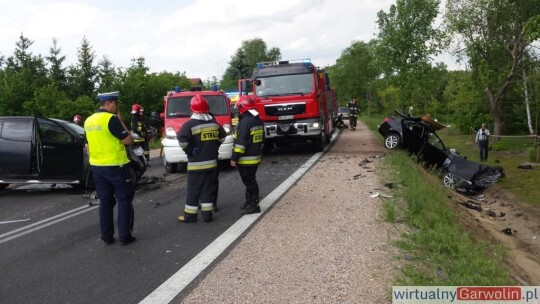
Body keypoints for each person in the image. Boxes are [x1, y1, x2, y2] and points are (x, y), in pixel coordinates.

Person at [84, 91, 136, 246]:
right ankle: (125, 236)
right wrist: (121, 121)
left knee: (105, 201)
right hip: (116, 165)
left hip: (97, 166)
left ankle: (106, 237)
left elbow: (87, 145)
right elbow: (128, 141)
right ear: (107, 103)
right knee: (124, 199)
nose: (117, 106)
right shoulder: (111, 119)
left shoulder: (89, 120)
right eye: (115, 103)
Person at [177, 95, 226, 223]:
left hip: (196, 165)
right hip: (211, 164)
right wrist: (214, 146)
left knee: (193, 191)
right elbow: (223, 136)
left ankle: (190, 217)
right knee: (207, 190)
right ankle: (207, 216)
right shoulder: (213, 123)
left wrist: (190, 151)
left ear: (192, 109)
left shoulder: (189, 125)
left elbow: (182, 140)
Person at [230, 95, 264, 215]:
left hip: (246, 159)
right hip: (255, 157)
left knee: (250, 182)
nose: (237, 111)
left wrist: (234, 158)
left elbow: (241, 142)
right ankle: (249, 202)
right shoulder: (257, 119)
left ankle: (254, 205)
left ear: (242, 107)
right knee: (250, 181)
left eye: (239, 108)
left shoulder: (245, 122)